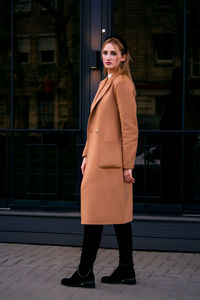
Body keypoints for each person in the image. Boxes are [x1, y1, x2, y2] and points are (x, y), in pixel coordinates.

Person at [61, 36, 138, 288]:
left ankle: (85, 273)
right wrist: (86, 155)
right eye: (105, 52)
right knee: (119, 214)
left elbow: (129, 127)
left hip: (112, 163)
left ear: (123, 57)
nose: (108, 57)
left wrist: (128, 164)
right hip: (98, 159)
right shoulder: (107, 81)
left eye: (114, 53)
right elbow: (97, 125)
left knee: (95, 213)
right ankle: (126, 268)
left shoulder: (122, 83)